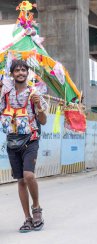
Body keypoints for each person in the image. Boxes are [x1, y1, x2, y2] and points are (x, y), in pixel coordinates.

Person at [0, 60, 48, 232]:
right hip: (12, 142)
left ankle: (37, 209)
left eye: (23, 70)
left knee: (28, 176)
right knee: (20, 180)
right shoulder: (5, 93)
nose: (20, 72)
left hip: (30, 139)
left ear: (27, 73)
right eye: (17, 70)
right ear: (12, 74)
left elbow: (43, 120)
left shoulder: (35, 93)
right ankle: (27, 218)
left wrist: (38, 105)